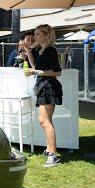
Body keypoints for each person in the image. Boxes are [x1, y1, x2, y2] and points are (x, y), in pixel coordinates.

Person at [25, 24, 63, 168]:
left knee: (43, 120)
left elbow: (57, 72)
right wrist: (29, 51)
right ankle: (49, 150)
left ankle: (53, 155)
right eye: (34, 34)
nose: (35, 37)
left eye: (38, 34)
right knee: (46, 120)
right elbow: (35, 67)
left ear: (47, 35)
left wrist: (36, 73)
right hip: (43, 86)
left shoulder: (50, 50)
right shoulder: (41, 50)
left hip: (49, 86)